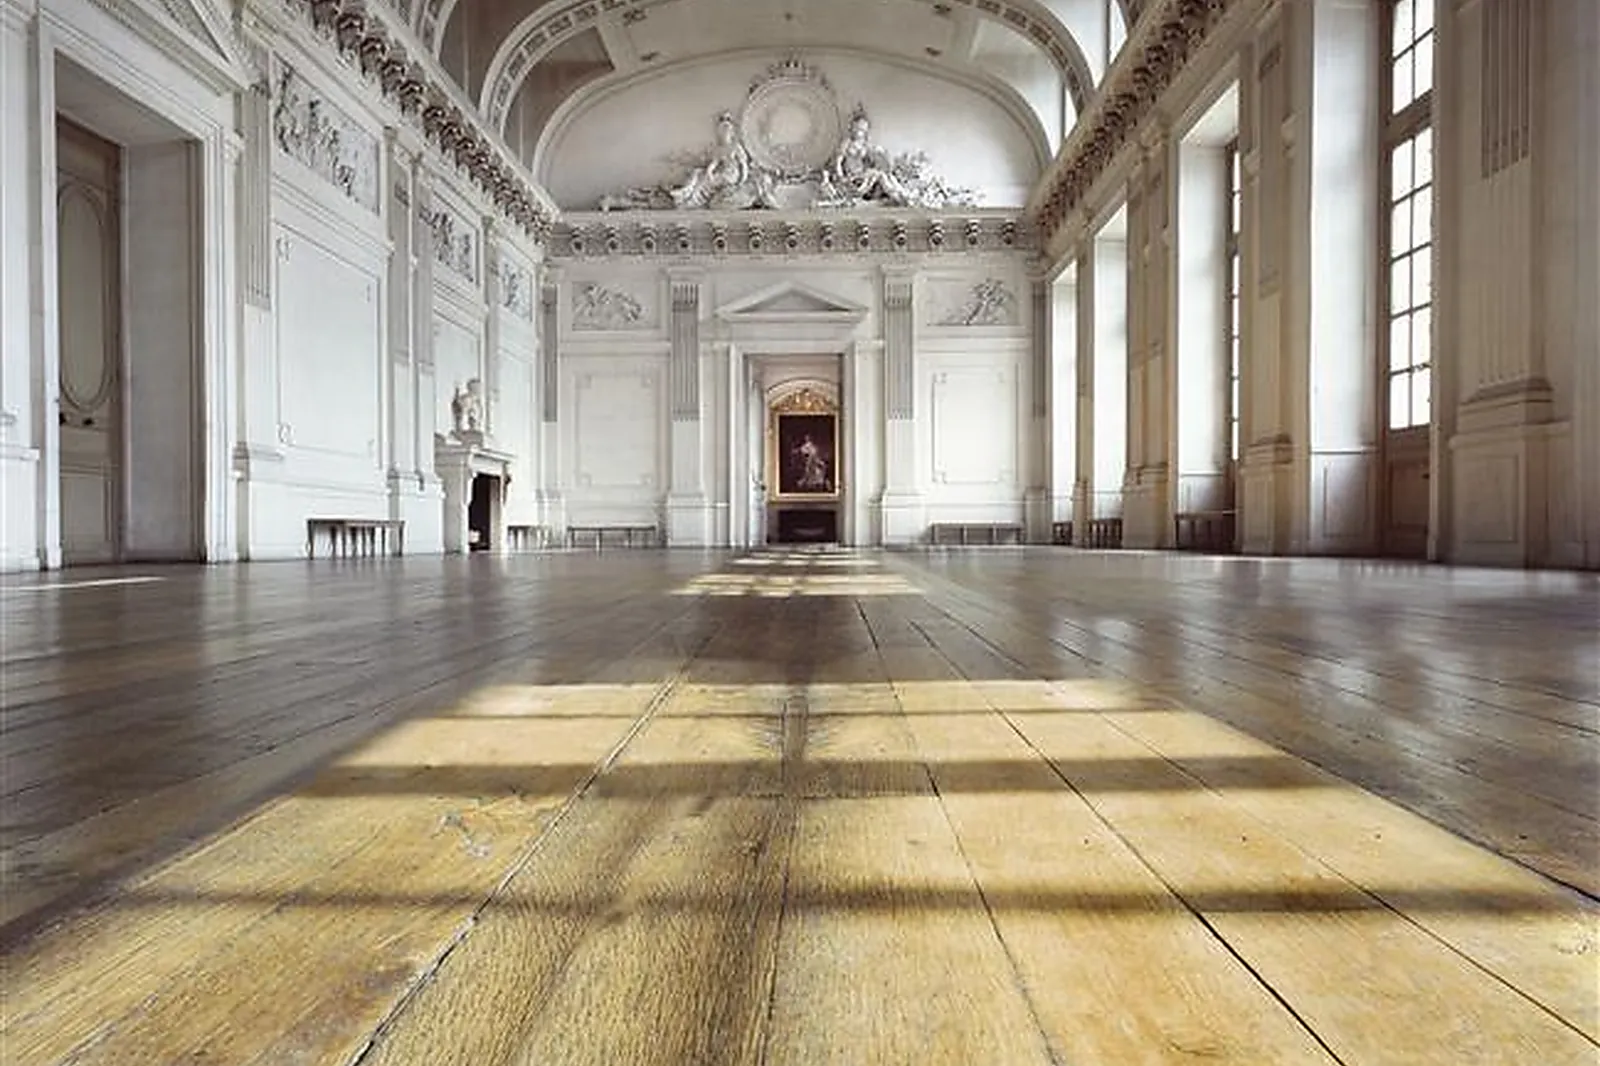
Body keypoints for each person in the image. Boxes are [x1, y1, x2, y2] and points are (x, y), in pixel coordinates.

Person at [822, 107, 912, 206]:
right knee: (878, 174)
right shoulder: (847, 143)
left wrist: (880, 153)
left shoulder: (865, 145)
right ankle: (898, 195)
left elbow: (873, 161)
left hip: (862, 176)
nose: (860, 130)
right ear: (853, 127)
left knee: (884, 174)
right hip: (852, 178)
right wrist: (841, 177)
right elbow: (838, 162)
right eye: (858, 127)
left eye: (863, 128)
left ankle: (901, 193)